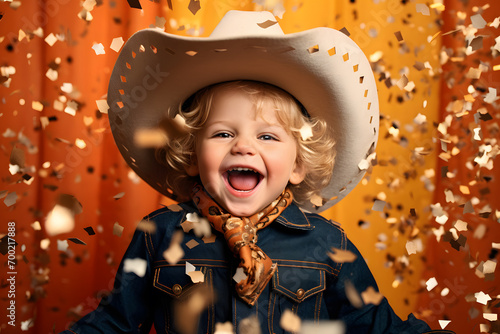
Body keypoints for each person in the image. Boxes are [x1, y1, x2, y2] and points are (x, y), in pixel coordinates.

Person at [61, 10, 451, 334]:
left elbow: (378, 328)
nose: (244, 146)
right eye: (223, 133)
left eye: (267, 136)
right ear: (193, 156)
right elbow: (114, 324)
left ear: (298, 165)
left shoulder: (329, 246)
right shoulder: (159, 235)